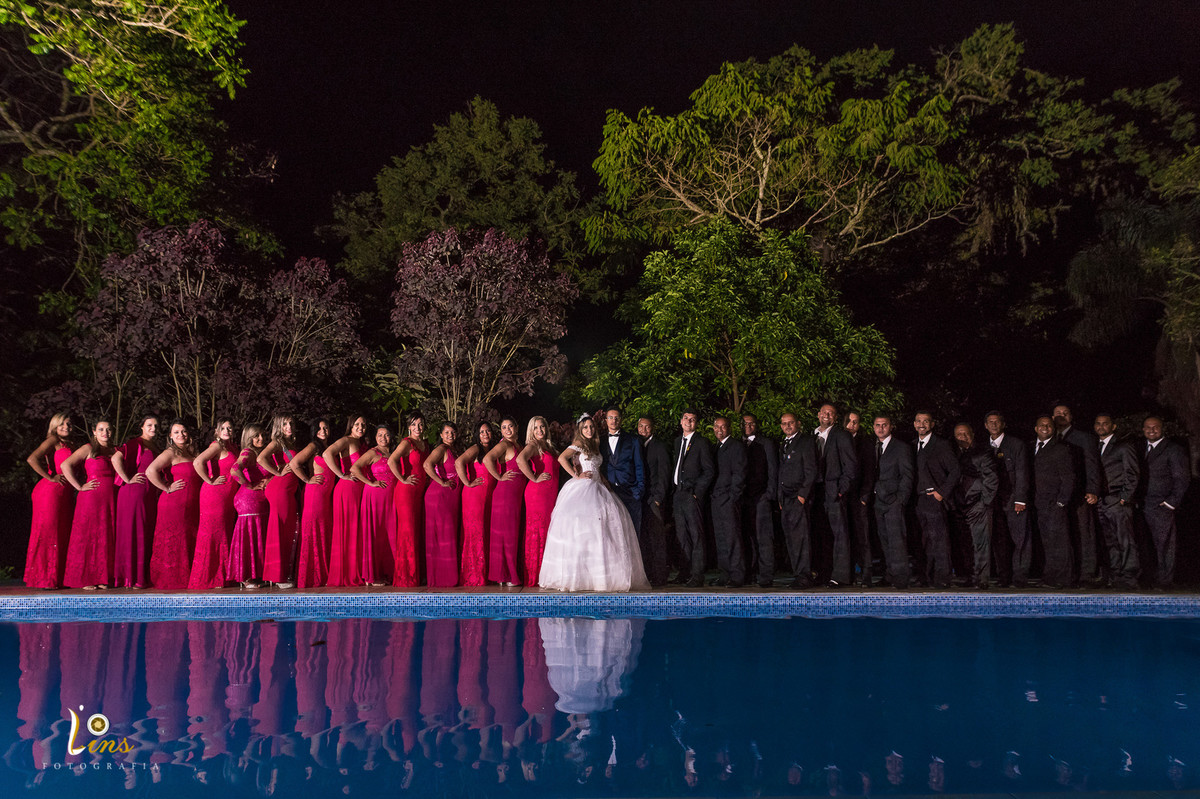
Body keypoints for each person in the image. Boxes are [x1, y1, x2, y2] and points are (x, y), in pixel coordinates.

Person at [539, 413, 651, 591]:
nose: (589, 430)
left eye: (591, 427)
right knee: (584, 531)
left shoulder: (596, 445)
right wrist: (577, 475)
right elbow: (561, 458)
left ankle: (601, 577)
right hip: (583, 489)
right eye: (585, 427)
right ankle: (578, 577)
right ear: (580, 430)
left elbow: (598, 469)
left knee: (606, 530)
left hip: (599, 487)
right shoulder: (579, 444)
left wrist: (606, 484)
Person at [62, 417, 118, 589]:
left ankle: (103, 577)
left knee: (106, 535)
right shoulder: (88, 448)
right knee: (89, 534)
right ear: (94, 432)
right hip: (91, 498)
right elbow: (66, 465)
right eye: (101, 429)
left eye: (108, 429)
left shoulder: (115, 450)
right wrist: (79, 486)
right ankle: (86, 578)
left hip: (111, 498)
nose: (105, 433)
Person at [146, 419, 201, 589]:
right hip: (173, 505)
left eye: (183, 431)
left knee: (188, 539)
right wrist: (166, 487)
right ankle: (172, 580)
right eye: (176, 432)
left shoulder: (192, 453)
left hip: (191, 506)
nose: (181, 435)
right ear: (170, 436)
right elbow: (150, 471)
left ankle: (188, 577)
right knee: (175, 541)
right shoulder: (170, 453)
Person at [1138, 416, 1190, 588]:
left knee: (1164, 545)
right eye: (1148, 427)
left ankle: (1165, 581)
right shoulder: (1140, 448)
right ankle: (1149, 578)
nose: (1152, 430)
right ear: (1143, 429)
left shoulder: (1173, 449)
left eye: (1156, 427)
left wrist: (1170, 503)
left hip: (1162, 505)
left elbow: (1182, 479)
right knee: (1147, 545)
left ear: (1162, 429)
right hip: (1143, 504)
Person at [1053, 404, 1103, 585]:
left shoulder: (1084, 438)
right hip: (1058, 496)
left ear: (1071, 417)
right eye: (1057, 413)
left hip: (1081, 494)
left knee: (1084, 534)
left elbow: (1092, 465)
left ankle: (1087, 574)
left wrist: (1093, 489)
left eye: (1065, 413)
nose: (1061, 416)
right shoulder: (1050, 437)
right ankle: (1068, 573)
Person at [24, 413, 75, 589]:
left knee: (62, 533)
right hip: (50, 493)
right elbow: (32, 458)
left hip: (66, 494)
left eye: (69, 424)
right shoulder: (53, 440)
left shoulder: (72, 444)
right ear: (54, 425)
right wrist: (50, 477)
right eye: (62, 424)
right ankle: (45, 579)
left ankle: (58, 578)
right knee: (49, 533)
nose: (66, 427)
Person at [111, 414, 160, 588]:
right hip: (133, 493)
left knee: (144, 532)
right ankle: (131, 578)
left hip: (147, 494)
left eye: (155, 425)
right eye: (149, 425)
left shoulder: (154, 445)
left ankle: (141, 577)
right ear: (142, 427)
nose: (153, 428)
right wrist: (127, 478)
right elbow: (115, 458)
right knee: (134, 532)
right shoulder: (135, 443)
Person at [189, 418, 238, 589]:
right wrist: (209, 481)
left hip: (227, 498)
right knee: (213, 535)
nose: (226, 431)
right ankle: (212, 577)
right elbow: (197, 462)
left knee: (224, 533)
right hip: (214, 496)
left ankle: (224, 576)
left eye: (229, 428)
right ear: (217, 431)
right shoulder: (216, 446)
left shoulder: (232, 447)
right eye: (223, 428)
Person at [813, 403, 858, 586]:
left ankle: (841, 576)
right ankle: (823, 574)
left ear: (835, 418)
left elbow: (851, 466)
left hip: (834, 493)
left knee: (840, 535)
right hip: (817, 494)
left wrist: (841, 490)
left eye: (831, 413)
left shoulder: (842, 435)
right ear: (818, 415)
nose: (827, 415)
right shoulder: (813, 436)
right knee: (822, 536)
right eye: (824, 412)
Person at [1093, 414, 1140, 589]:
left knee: (1125, 540)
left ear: (1113, 427)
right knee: (1110, 541)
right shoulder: (1095, 447)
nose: (1101, 426)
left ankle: (1130, 576)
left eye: (1105, 424)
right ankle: (1116, 574)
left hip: (1118, 501)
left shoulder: (1123, 446)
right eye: (1098, 424)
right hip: (1102, 502)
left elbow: (1132, 473)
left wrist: (1124, 498)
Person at [984, 412, 1032, 587]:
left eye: (997, 422)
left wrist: (1020, 499)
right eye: (991, 422)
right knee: (999, 541)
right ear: (986, 425)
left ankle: (1020, 577)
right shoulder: (984, 446)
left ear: (1003, 424)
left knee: (1020, 539)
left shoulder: (1016, 444)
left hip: (1013, 500)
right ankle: (1003, 576)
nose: (994, 425)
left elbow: (1022, 473)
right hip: (994, 503)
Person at [913, 411, 959, 588]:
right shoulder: (912, 445)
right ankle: (925, 577)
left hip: (935, 499)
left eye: (926, 421)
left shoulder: (941, 445)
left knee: (939, 541)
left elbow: (955, 471)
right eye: (918, 421)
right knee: (922, 542)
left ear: (932, 424)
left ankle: (942, 579)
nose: (922, 424)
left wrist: (942, 493)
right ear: (914, 424)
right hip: (918, 500)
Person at [952, 422, 999, 588]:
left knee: (981, 543)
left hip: (978, 505)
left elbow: (991, 479)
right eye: (959, 434)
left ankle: (982, 579)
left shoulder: (982, 452)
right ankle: (971, 576)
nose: (962, 437)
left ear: (972, 434)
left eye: (966, 434)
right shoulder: (955, 453)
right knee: (967, 543)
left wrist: (984, 502)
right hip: (962, 506)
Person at [325, 414, 369, 587]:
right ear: (350, 425)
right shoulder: (346, 440)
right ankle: (347, 574)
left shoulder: (363, 444)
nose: (360, 427)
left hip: (359, 490)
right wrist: (341, 475)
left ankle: (357, 571)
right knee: (348, 531)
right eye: (357, 424)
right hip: (347, 490)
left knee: (357, 531)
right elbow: (327, 453)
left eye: (363, 424)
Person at [671, 410, 714, 588]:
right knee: (682, 536)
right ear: (681, 422)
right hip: (678, 494)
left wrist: (697, 492)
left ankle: (697, 575)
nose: (689, 422)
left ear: (696, 423)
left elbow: (709, 470)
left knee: (696, 536)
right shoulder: (676, 442)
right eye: (686, 419)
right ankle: (684, 572)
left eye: (693, 419)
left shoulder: (702, 443)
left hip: (691, 494)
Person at [258, 414, 301, 588]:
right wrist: (277, 473)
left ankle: (282, 574)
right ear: (279, 426)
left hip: (288, 491)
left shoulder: (291, 443)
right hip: (279, 490)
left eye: (291, 423)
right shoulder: (277, 443)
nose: (289, 426)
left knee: (288, 530)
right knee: (279, 529)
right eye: (284, 424)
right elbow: (261, 458)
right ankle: (276, 576)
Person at [1031, 416, 1075, 588]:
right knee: (1047, 542)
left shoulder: (1061, 449)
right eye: (1041, 425)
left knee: (1060, 543)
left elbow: (1069, 477)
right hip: (1039, 504)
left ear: (1054, 429)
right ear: (1036, 428)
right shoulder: (1032, 447)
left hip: (1055, 504)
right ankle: (1050, 577)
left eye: (1049, 425)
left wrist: (1062, 502)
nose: (1045, 427)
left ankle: (1064, 579)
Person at [293, 417, 337, 588]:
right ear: (314, 431)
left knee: (324, 532)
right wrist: (307, 479)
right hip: (315, 494)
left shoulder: (328, 448)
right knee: (313, 532)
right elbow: (295, 463)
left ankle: (323, 575)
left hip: (326, 496)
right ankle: (310, 578)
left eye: (325, 428)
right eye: (319, 428)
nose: (323, 431)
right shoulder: (313, 446)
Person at [351, 424, 397, 586]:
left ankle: (389, 572)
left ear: (391, 437)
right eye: (380, 435)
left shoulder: (392, 453)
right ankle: (373, 575)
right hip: (374, 498)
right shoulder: (373, 452)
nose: (383, 438)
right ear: (375, 437)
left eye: (386, 435)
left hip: (391, 500)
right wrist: (370, 483)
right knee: (375, 534)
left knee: (389, 535)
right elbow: (354, 468)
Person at [871, 415, 913, 588]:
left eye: (884, 425)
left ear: (891, 427)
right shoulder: (873, 446)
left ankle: (901, 578)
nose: (881, 428)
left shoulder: (901, 448)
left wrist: (901, 499)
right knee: (884, 540)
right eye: (878, 425)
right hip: (878, 501)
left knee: (897, 541)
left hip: (894, 501)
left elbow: (907, 475)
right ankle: (890, 575)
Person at [777, 412, 817, 589]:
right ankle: (797, 574)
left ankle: (804, 576)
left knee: (801, 538)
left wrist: (802, 495)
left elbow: (811, 470)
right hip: (785, 498)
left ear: (798, 423)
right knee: (791, 539)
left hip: (797, 497)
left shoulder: (806, 442)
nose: (787, 426)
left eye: (790, 423)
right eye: (784, 423)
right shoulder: (783, 444)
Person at [388, 412, 429, 588]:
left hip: (419, 493)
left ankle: (417, 575)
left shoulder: (425, 444)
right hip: (406, 492)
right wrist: (403, 478)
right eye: (414, 424)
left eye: (420, 424)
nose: (418, 428)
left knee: (417, 531)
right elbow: (391, 461)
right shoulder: (407, 443)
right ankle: (407, 578)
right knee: (408, 532)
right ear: (409, 426)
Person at [517, 415, 559, 584]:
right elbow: (520, 460)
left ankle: (547, 574)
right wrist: (533, 478)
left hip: (550, 494)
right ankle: (535, 575)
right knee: (538, 533)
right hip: (538, 494)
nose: (540, 430)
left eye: (542, 427)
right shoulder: (533, 445)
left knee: (548, 531)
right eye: (536, 428)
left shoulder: (548, 446)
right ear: (531, 431)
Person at [484, 417, 526, 586]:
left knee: (509, 534)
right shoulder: (505, 445)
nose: (507, 429)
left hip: (515, 496)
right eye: (504, 427)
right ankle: (508, 575)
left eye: (510, 426)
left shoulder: (519, 445)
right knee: (507, 535)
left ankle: (503, 574)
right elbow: (488, 459)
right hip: (505, 495)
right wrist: (499, 476)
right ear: (501, 431)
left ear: (517, 427)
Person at [227, 424, 270, 587]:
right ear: (249, 437)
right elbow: (234, 470)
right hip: (249, 501)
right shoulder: (248, 452)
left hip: (260, 502)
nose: (261, 438)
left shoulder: (260, 453)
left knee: (258, 536)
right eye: (256, 436)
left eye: (262, 435)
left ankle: (258, 574)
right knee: (249, 537)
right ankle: (246, 578)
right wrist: (249, 485)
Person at [456, 421, 496, 587]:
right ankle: (474, 576)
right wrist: (467, 482)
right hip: (474, 496)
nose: (485, 434)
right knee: (475, 533)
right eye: (481, 432)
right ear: (477, 435)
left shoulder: (492, 450)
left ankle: (485, 574)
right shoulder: (475, 448)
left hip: (488, 497)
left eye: (487, 431)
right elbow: (458, 462)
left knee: (485, 533)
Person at [424, 422, 463, 587]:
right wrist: (442, 482)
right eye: (447, 432)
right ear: (441, 435)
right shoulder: (441, 449)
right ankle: (441, 578)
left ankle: (446, 576)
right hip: (439, 496)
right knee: (441, 536)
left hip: (449, 497)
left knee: (447, 535)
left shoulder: (454, 450)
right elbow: (427, 465)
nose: (450, 435)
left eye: (453, 432)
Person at [741, 414, 778, 588]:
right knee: (747, 537)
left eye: (751, 423)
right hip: (744, 499)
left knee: (764, 538)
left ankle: (766, 575)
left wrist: (769, 494)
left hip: (761, 497)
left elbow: (772, 469)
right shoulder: (739, 444)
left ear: (756, 425)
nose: (747, 426)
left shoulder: (766, 443)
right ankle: (750, 572)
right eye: (744, 423)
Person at [710, 416, 747, 587]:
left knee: (732, 537)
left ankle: (737, 575)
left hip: (728, 498)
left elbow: (739, 473)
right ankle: (725, 573)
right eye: (717, 427)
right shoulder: (716, 447)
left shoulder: (736, 446)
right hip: (717, 499)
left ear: (729, 428)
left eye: (723, 427)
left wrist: (733, 497)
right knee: (721, 538)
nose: (720, 430)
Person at [638, 415, 672, 587]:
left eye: (647, 426)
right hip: (640, 499)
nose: (644, 430)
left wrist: (659, 498)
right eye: (641, 426)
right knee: (643, 539)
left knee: (657, 538)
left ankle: (660, 576)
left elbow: (665, 473)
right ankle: (648, 574)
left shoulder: (660, 446)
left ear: (653, 428)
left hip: (654, 499)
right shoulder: (636, 444)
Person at [600, 407, 645, 532]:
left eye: (616, 418)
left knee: (633, 532)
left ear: (621, 420)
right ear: (605, 420)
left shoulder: (633, 440)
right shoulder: (600, 441)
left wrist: (638, 492)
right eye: (610, 418)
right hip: (609, 493)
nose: (613, 421)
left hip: (630, 493)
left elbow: (639, 466)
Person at [845, 411, 878, 586]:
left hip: (859, 499)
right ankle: (849, 574)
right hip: (843, 499)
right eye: (849, 422)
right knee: (846, 537)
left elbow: (870, 472)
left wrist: (865, 497)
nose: (851, 425)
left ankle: (866, 574)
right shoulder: (840, 440)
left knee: (863, 537)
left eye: (855, 422)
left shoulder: (865, 444)